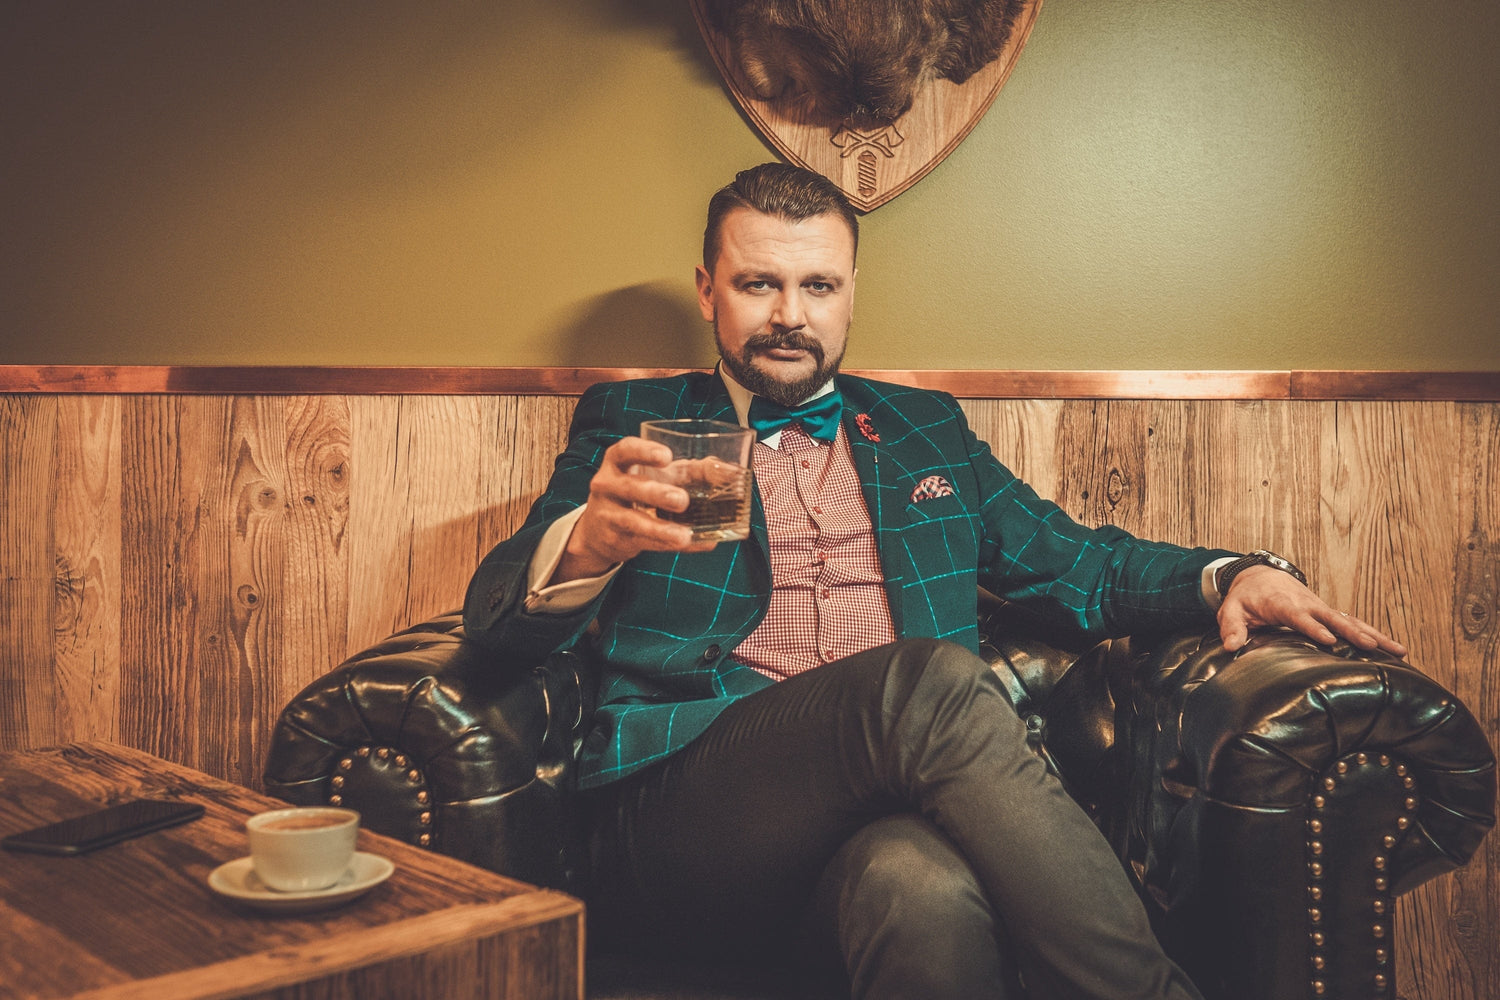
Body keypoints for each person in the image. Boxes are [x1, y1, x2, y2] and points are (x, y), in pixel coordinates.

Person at [463, 163, 1405, 999]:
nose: (791, 313)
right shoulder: (634, 420)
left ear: (850, 295)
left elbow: (1079, 563)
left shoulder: (924, 432)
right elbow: (495, 624)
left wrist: (1230, 574)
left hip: (886, 818)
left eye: (818, 285)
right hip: (685, 809)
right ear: (709, 292)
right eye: (760, 283)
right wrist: (584, 545)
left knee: (920, 894)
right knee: (928, 681)